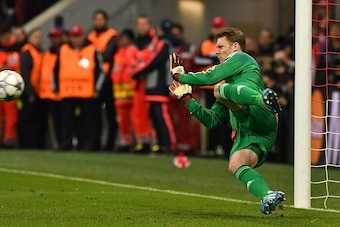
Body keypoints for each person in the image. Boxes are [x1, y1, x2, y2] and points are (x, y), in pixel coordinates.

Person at [168, 27, 285, 214]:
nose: (217, 51)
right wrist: (187, 100)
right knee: (235, 164)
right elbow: (212, 120)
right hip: (251, 133)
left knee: (218, 88)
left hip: (260, 113)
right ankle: (268, 195)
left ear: (235, 47)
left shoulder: (243, 58)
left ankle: (261, 99)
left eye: (221, 46)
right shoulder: (226, 89)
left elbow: (211, 76)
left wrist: (179, 76)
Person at [53, 25, 105, 151]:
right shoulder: (63, 49)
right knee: (66, 122)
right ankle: (66, 145)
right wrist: (55, 88)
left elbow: (100, 71)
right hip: (67, 91)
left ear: (83, 36)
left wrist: (97, 89)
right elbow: (55, 70)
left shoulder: (93, 49)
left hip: (86, 92)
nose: (76, 40)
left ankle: (87, 145)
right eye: (73, 37)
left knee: (87, 121)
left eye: (78, 36)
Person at [132, 14, 176, 154]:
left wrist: (138, 72)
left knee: (162, 115)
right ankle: (161, 144)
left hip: (160, 85)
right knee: (155, 116)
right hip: (150, 85)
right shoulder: (155, 43)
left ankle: (169, 144)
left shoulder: (162, 44)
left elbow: (154, 61)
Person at [194, 16, 232, 156]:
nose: (217, 29)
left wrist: (211, 59)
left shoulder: (229, 43)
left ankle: (225, 148)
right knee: (209, 119)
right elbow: (197, 59)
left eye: (219, 26)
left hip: (224, 86)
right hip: (208, 88)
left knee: (226, 119)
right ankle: (211, 148)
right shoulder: (205, 44)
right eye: (215, 27)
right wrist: (213, 58)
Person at [87, 9, 118, 151]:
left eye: (101, 19)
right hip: (94, 80)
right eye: (96, 19)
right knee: (94, 115)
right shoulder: (91, 36)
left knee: (110, 114)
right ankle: (95, 143)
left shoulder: (112, 36)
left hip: (108, 79)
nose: (98, 21)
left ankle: (110, 144)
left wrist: (95, 55)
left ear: (105, 20)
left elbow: (108, 55)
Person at [18, 28, 47, 149]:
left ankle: (39, 146)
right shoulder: (27, 53)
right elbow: (25, 74)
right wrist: (29, 93)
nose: (38, 39)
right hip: (30, 94)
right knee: (29, 122)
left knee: (40, 122)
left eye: (40, 37)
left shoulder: (41, 52)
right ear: (29, 39)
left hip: (41, 93)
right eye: (35, 36)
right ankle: (28, 146)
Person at [111, 29, 138, 152]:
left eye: (125, 38)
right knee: (122, 121)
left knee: (135, 119)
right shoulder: (118, 53)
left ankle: (136, 143)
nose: (122, 40)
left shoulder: (133, 52)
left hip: (132, 94)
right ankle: (125, 142)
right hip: (119, 94)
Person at [39, 27, 64, 149]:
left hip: (62, 93)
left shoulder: (65, 51)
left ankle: (65, 144)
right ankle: (58, 144)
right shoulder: (47, 53)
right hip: (47, 93)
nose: (54, 40)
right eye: (52, 37)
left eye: (56, 37)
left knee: (64, 122)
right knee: (53, 122)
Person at [0, 23, 20, 148]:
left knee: (11, 115)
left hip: (11, 88)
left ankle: (9, 140)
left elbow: (20, 68)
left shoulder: (16, 50)